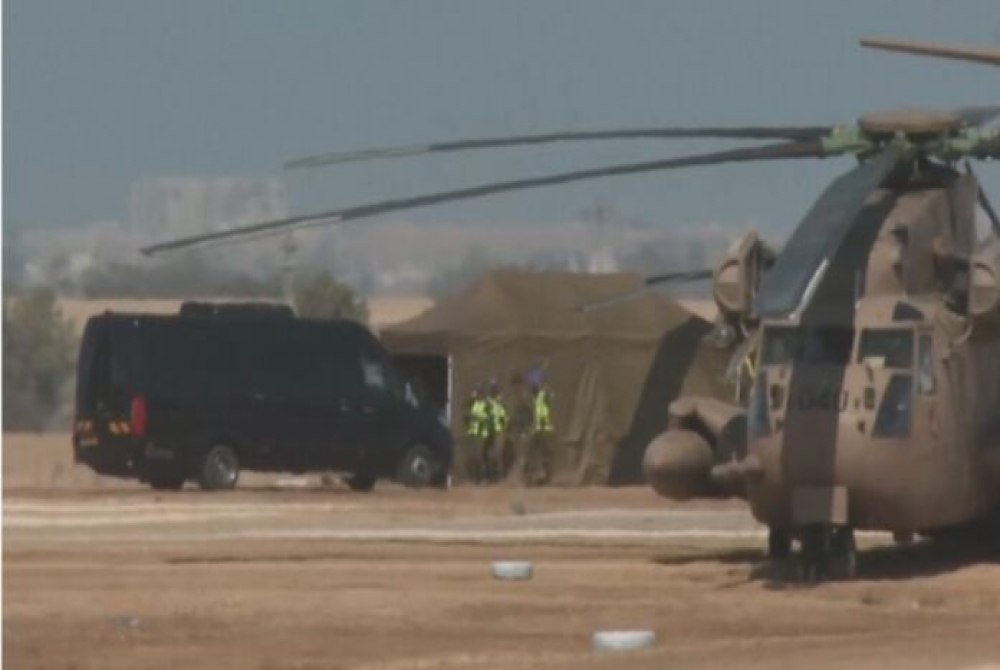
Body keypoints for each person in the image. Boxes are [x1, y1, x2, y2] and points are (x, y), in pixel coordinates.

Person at [526, 367, 555, 485]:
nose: (532, 388)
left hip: (544, 430)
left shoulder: (543, 395)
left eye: (534, 385)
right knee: (532, 453)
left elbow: (550, 399)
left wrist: (546, 389)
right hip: (538, 429)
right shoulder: (536, 398)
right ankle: (532, 476)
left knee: (545, 454)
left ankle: (547, 477)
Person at [483, 378, 508, 482]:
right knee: (486, 453)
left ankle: (499, 476)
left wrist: (503, 426)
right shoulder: (488, 401)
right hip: (489, 430)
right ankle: (489, 475)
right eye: (492, 388)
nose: (493, 390)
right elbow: (485, 414)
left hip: (498, 430)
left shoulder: (500, 401)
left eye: (494, 388)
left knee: (498, 453)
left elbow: (504, 416)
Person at [464, 385, 489, 483]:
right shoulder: (474, 405)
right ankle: (477, 477)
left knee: (480, 456)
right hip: (474, 433)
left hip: (481, 434)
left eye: (477, 393)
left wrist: (474, 418)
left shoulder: (483, 405)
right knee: (475, 456)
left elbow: (483, 418)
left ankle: (484, 477)